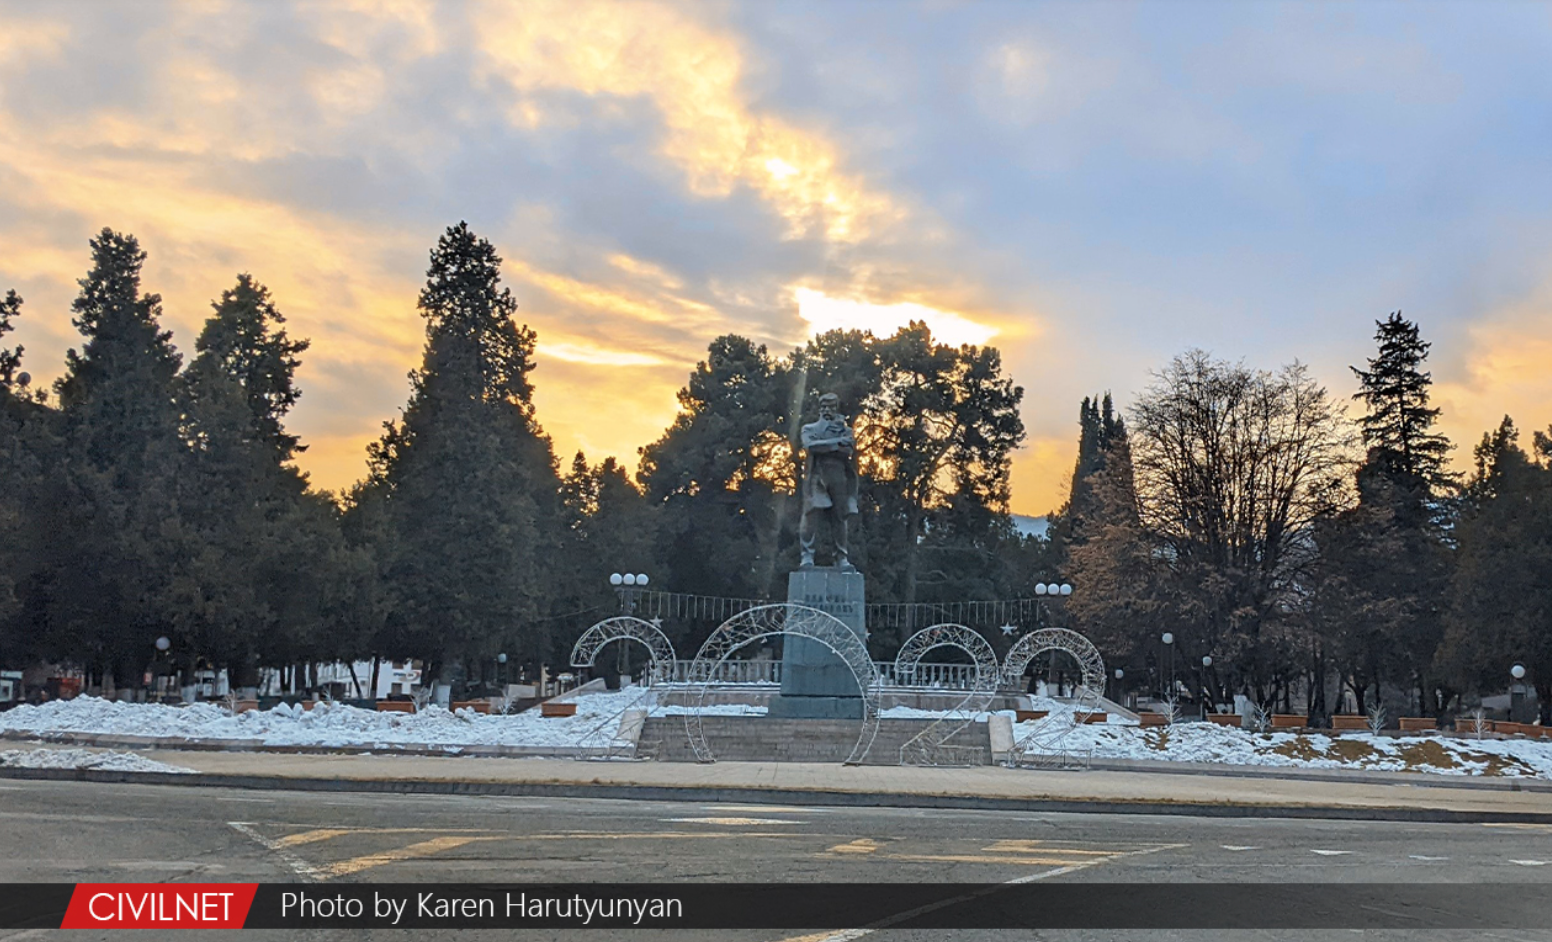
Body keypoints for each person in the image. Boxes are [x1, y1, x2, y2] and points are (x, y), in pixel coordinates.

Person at [799, 393, 860, 569]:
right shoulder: (809, 428)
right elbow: (810, 446)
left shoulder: (846, 430)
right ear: (819, 409)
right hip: (817, 476)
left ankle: (841, 557)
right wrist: (836, 444)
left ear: (836, 409)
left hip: (839, 476)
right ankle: (807, 556)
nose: (827, 410)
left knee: (840, 517)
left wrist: (825, 445)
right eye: (824, 407)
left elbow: (847, 450)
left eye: (831, 407)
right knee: (811, 515)